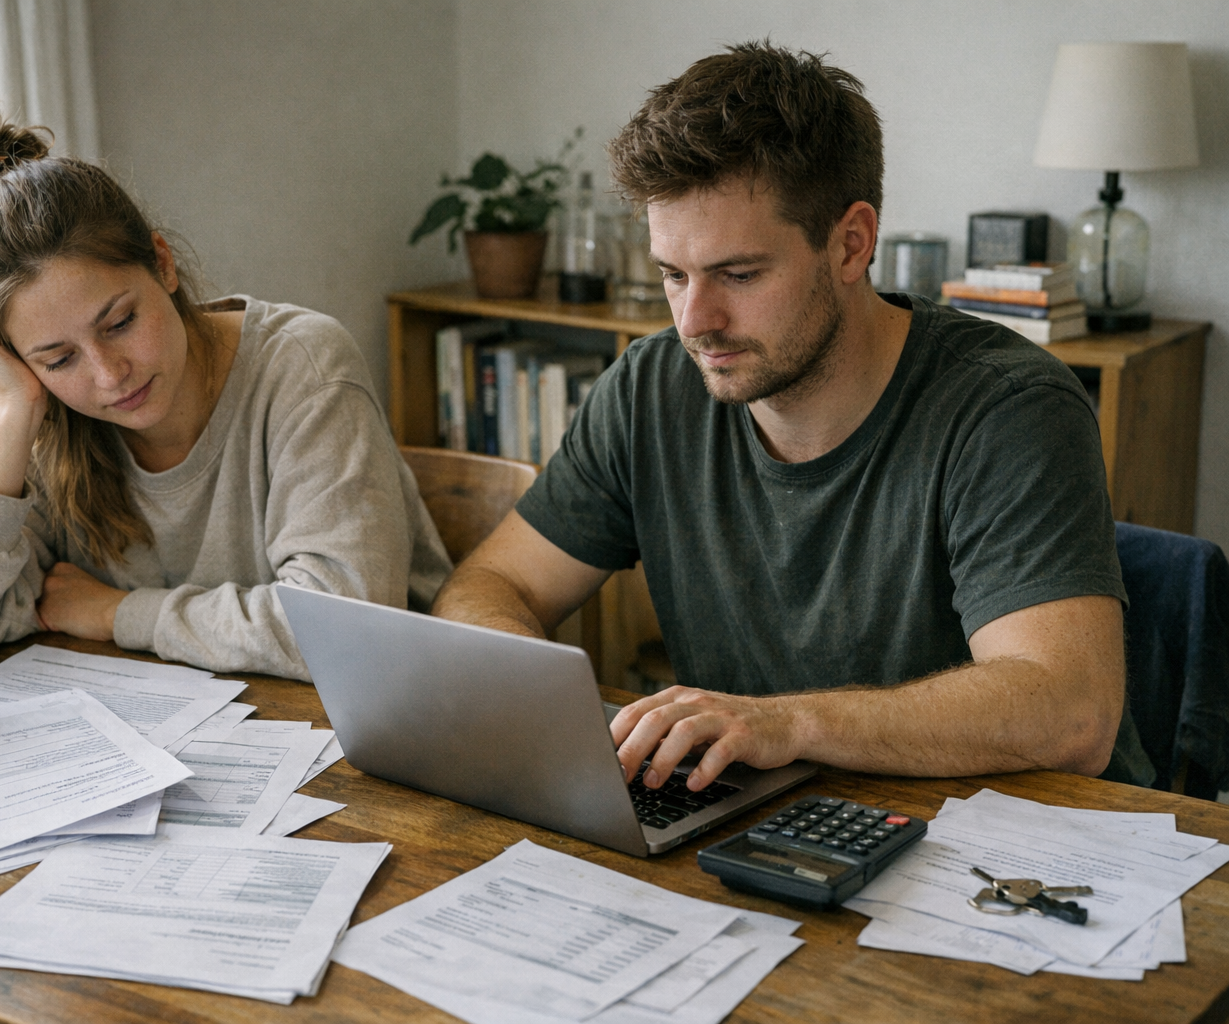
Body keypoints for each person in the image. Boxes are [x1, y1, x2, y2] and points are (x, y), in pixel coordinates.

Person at [432, 42, 1136, 793]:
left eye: (739, 274)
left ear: (851, 244)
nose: (695, 321)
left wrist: (786, 723)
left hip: (1014, 849)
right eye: (673, 274)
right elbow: (493, 582)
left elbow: (1071, 713)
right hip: (764, 821)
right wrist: (529, 685)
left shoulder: (1008, 410)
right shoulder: (648, 389)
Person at [0, 114, 450, 679]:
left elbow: (347, 631)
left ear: (164, 263)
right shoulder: (25, 405)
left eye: (120, 322)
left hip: (374, 733)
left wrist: (117, 612)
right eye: (59, 357)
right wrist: (15, 414)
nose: (108, 374)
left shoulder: (306, 368)